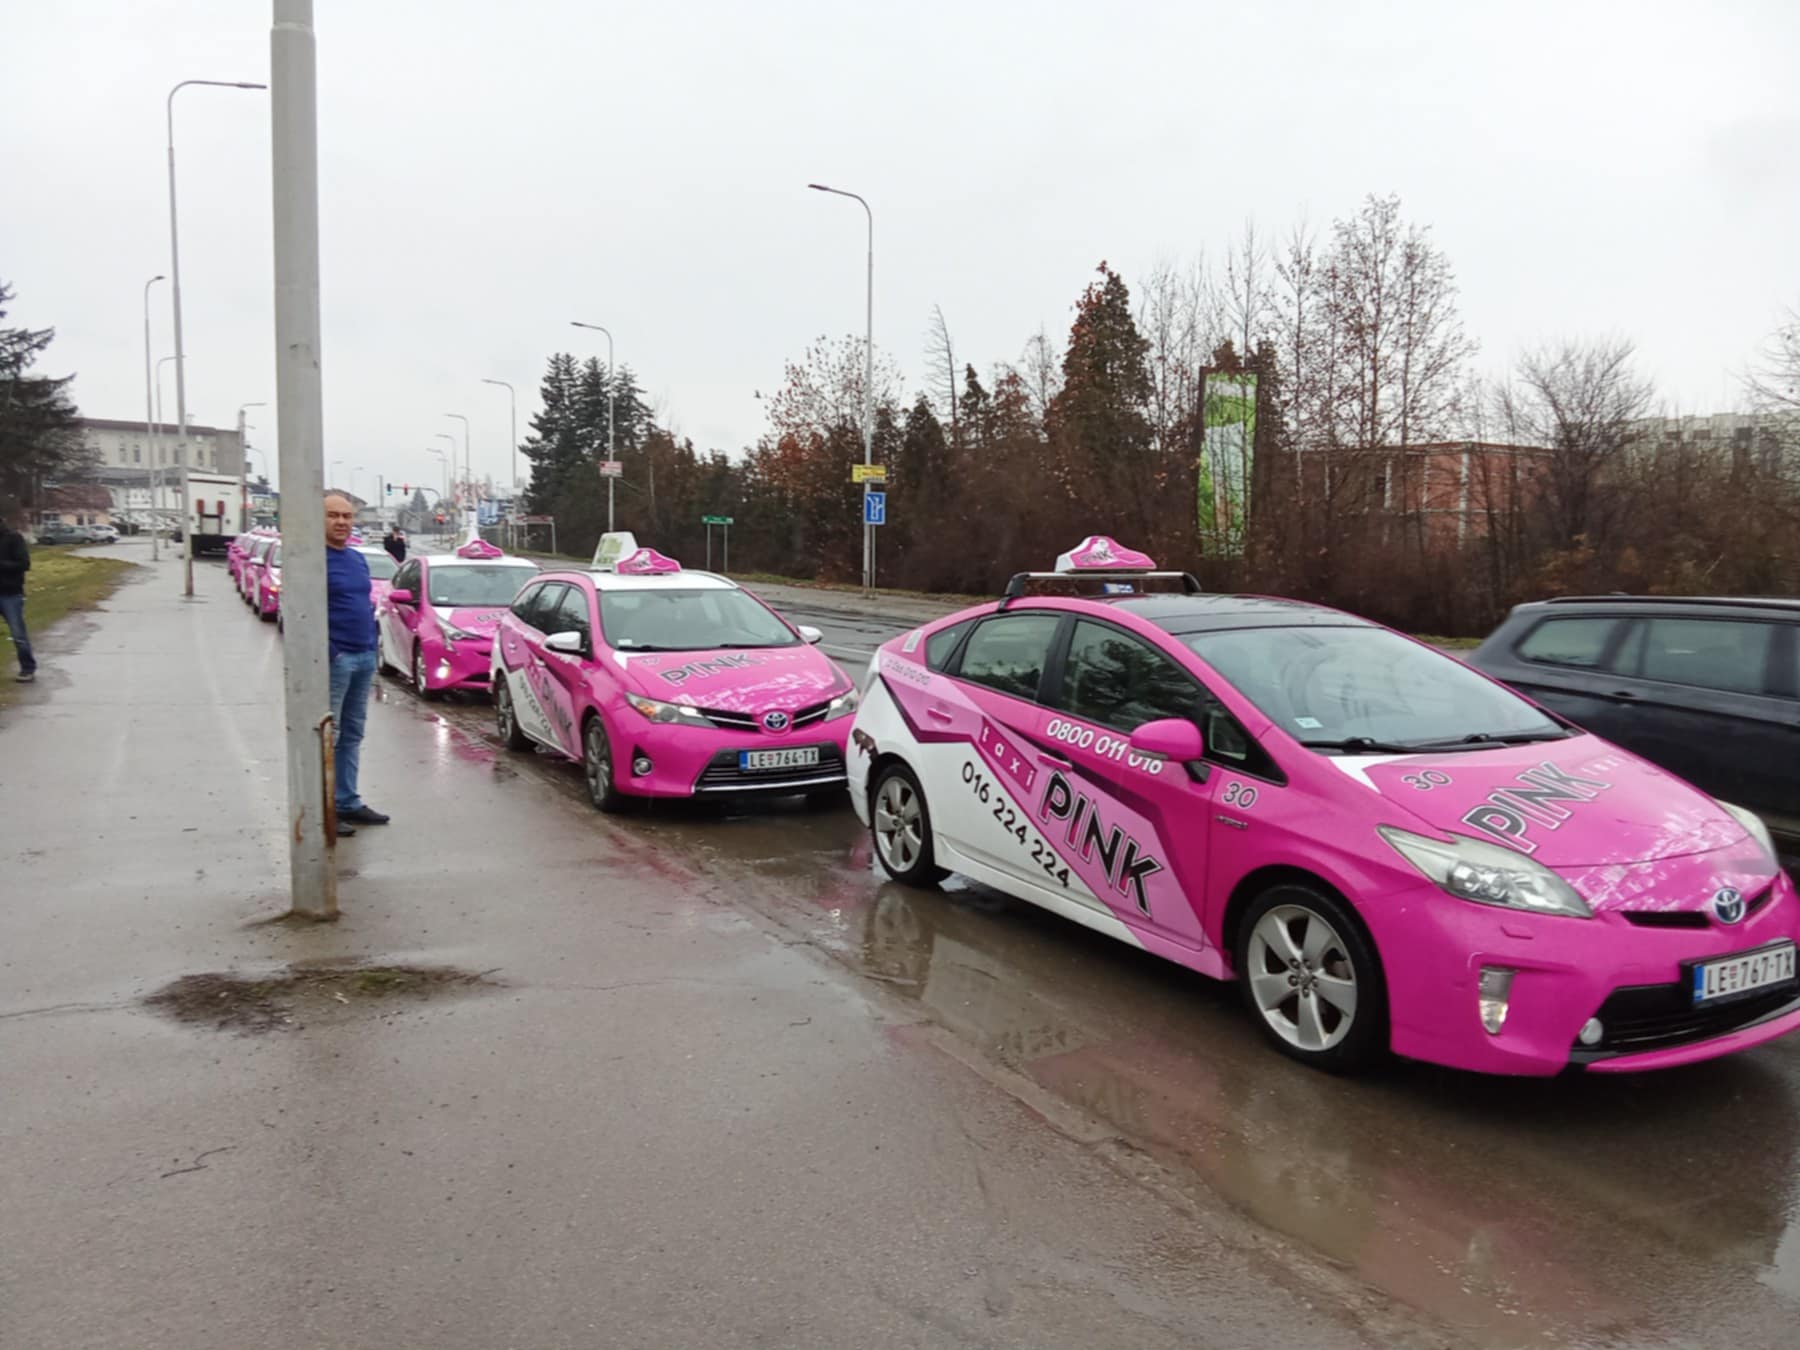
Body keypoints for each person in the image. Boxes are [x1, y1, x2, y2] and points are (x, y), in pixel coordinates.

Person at [326, 492, 389, 835]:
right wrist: (331, 650)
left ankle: (347, 801)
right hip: (337, 660)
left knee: (352, 733)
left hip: (364, 656)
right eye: (333, 515)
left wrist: (371, 643)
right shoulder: (312, 560)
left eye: (347, 516)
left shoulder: (355, 558)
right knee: (329, 735)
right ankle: (324, 807)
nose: (341, 522)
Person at [0, 507, 36, 683]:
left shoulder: (13, 538)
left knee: (18, 634)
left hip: (10, 593)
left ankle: (27, 669)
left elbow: (24, 564)